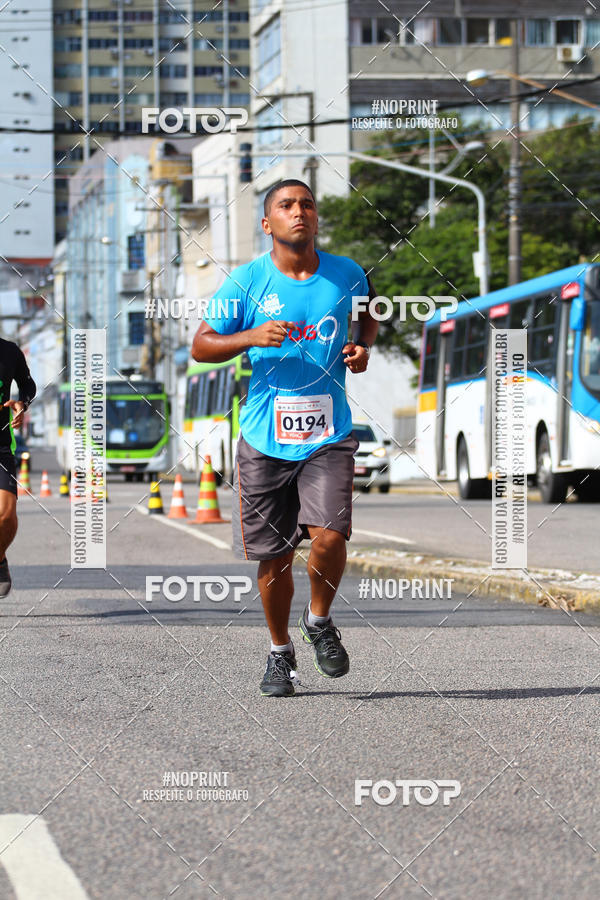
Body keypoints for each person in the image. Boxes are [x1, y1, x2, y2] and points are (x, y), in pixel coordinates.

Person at [191, 179, 378, 697]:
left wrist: (362, 349)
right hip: (263, 437)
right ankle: (279, 653)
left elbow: (367, 317)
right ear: (268, 222)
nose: (300, 212)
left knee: (331, 537)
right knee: (274, 559)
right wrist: (248, 336)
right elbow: (201, 346)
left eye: (307, 205)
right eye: (287, 206)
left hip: (328, 432)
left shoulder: (348, 273)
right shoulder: (246, 282)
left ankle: (318, 621)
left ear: (316, 218)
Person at [0, 337, 36, 596]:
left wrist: (22, 404)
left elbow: (28, 385)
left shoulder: (9, 351)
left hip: (1, 445)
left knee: (6, 514)